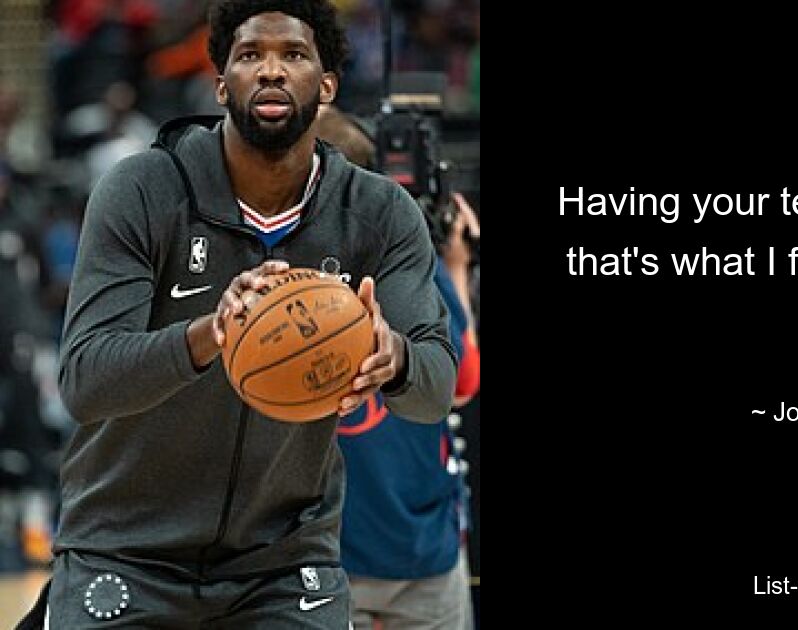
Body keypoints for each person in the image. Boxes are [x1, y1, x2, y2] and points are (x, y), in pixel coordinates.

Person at [32, 0, 457, 626]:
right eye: (250, 55)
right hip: (124, 550)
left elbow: (436, 388)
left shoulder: (378, 213)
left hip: (283, 563)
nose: (272, 71)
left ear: (328, 85)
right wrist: (210, 335)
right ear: (221, 82)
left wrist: (390, 358)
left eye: (294, 55)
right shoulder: (143, 190)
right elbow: (86, 380)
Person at [314, 103, 481, 630]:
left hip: (321, 553)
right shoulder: (410, 254)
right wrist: (456, 269)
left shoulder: (277, 271)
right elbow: (464, 383)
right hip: (417, 547)